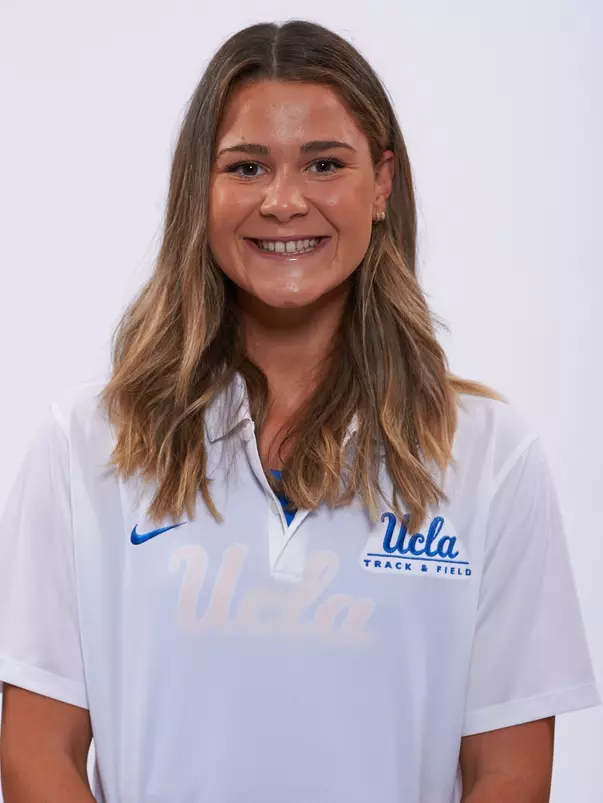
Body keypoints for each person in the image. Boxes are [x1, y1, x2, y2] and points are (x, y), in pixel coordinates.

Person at [0, 18, 599, 803]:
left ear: (381, 183)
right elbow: (36, 751)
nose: (283, 201)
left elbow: (508, 772)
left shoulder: (487, 456)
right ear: (199, 191)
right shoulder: (87, 446)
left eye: (324, 163)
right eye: (246, 166)